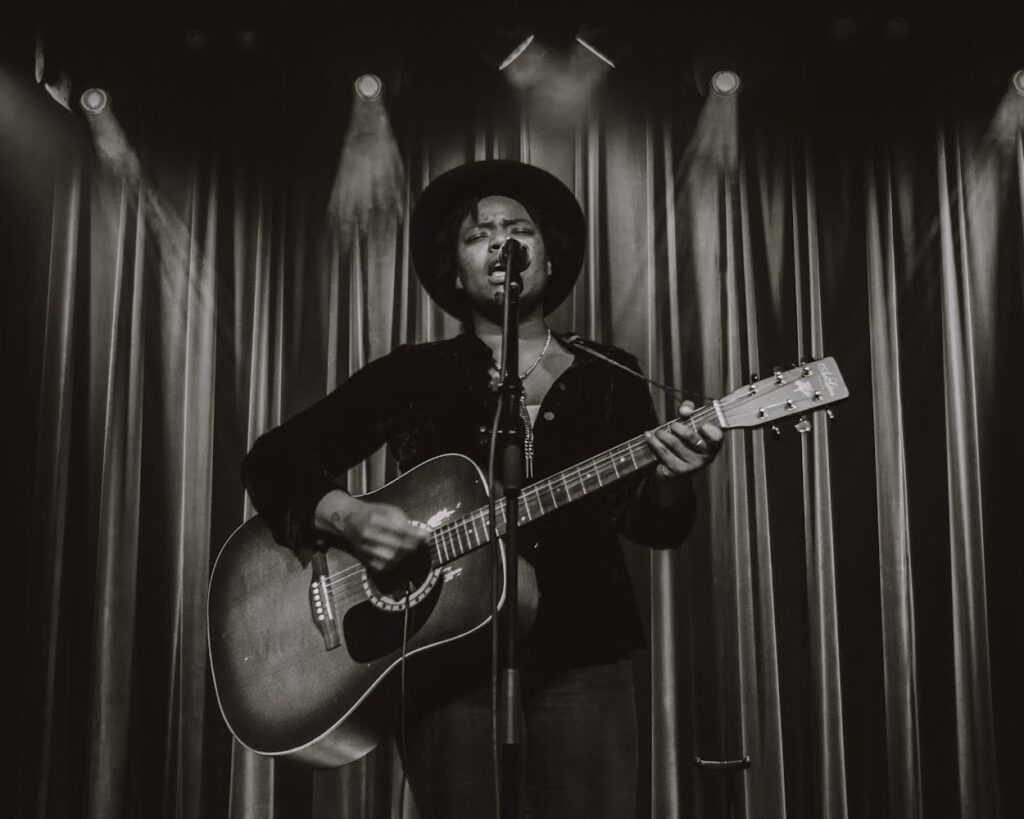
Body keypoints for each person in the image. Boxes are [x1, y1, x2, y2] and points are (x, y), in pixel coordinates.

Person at [241, 160, 723, 818]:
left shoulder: (611, 375)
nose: (501, 241)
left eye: (518, 229)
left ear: (550, 261)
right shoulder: (415, 374)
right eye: (479, 234)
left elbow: (653, 524)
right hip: (442, 657)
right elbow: (273, 459)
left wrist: (669, 480)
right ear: (456, 271)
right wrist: (346, 516)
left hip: (584, 649)